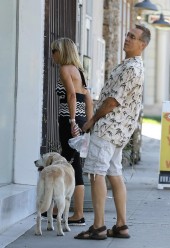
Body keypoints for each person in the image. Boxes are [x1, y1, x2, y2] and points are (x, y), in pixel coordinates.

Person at [74, 24, 151, 240]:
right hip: (119, 130)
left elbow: (112, 102)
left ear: (142, 44)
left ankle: (98, 226)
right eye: (127, 34)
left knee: (97, 173)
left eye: (132, 37)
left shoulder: (131, 68)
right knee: (114, 173)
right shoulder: (133, 65)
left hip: (108, 127)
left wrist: (91, 120)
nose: (127, 38)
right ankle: (121, 225)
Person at [50, 37, 93, 226]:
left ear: (62, 52)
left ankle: (77, 214)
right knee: (72, 163)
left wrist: (73, 121)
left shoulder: (65, 69)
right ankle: (63, 210)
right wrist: (88, 124)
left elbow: (71, 95)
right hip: (80, 121)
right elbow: (88, 98)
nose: (52, 55)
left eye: (54, 51)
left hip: (70, 121)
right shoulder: (80, 72)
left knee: (71, 165)